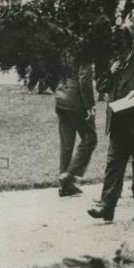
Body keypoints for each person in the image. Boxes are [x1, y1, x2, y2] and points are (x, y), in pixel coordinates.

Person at [87, 12, 134, 223]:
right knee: (113, 166)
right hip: (119, 124)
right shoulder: (116, 63)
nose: (116, 52)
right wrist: (111, 72)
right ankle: (106, 206)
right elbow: (101, 88)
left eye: (119, 48)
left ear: (128, 45)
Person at [54, 50, 97, 197]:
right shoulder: (83, 49)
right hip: (76, 100)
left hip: (61, 97)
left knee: (66, 145)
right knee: (90, 138)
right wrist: (89, 105)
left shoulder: (63, 48)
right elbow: (85, 80)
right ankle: (70, 174)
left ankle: (65, 185)